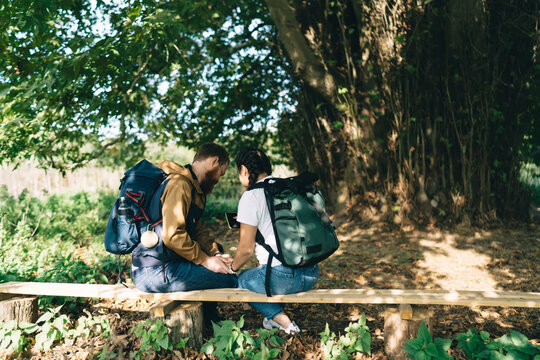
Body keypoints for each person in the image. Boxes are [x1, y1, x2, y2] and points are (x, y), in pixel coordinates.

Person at [131, 143, 237, 323]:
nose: (219, 178)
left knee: (219, 253)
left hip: (169, 262)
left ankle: (210, 319)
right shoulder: (180, 185)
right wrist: (206, 261)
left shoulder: (194, 188)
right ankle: (211, 322)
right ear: (214, 162)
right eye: (222, 172)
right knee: (228, 279)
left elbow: (198, 230)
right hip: (154, 271)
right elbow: (172, 236)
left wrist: (215, 254)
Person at [228, 148, 320, 335]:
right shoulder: (288, 187)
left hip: (284, 279)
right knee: (265, 272)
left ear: (244, 170)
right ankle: (271, 320)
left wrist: (231, 268)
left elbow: (246, 250)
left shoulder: (251, 196)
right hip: (311, 273)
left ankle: (285, 323)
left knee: (242, 280)